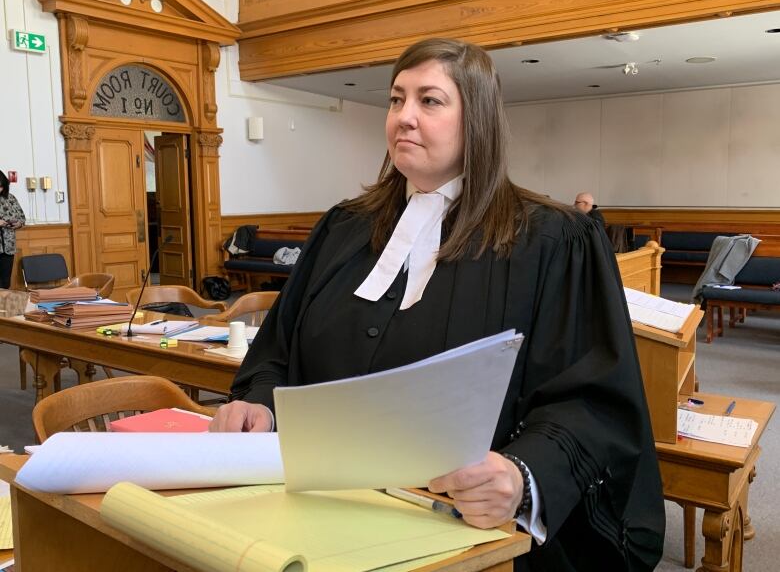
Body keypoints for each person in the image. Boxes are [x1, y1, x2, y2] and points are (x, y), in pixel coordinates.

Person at [211, 38, 664, 571]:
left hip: (461, 530)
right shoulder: (342, 228)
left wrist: (521, 474)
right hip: (320, 511)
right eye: (396, 99)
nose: (404, 117)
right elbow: (278, 350)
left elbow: (592, 400)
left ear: (477, 120)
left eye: (429, 101)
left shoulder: (554, 241)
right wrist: (259, 403)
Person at [0, 171, 26, 289]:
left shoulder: (10, 198)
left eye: (1, 186)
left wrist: (17, 223)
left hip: (8, 247)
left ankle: (3, 307)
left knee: (5, 283)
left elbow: (22, 218)